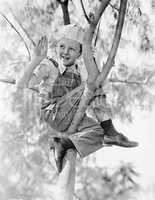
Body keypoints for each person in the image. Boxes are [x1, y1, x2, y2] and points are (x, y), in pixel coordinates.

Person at [17, 24, 138, 173]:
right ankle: (110, 129)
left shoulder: (79, 70)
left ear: (80, 53)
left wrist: (94, 60)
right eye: (62, 46)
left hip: (72, 117)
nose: (65, 52)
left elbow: (98, 84)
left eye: (72, 49)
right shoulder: (49, 65)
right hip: (54, 112)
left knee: (99, 133)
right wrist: (36, 60)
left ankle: (63, 143)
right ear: (56, 47)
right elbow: (22, 84)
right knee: (92, 84)